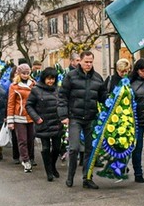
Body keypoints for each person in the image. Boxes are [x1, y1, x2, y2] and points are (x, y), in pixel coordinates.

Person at [58, 50, 106, 189]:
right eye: (86, 62)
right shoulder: (71, 76)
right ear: (80, 61)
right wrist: (63, 115)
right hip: (74, 117)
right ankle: (70, 176)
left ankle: (87, 178)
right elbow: (62, 96)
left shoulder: (97, 78)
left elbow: (103, 97)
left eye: (91, 62)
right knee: (74, 148)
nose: (88, 64)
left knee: (90, 150)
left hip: (91, 118)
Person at [27, 67, 63, 181]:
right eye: (48, 79)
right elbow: (29, 105)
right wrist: (36, 118)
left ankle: (52, 166)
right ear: (44, 78)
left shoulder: (58, 90)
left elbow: (63, 103)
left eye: (53, 79)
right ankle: (48, 171)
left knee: (57, 148)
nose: (50, 81)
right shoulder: (36, 90)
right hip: (43, 123)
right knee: (46, 148)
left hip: (56, 123)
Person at [7, 63, 37, 173]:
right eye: (23, 73)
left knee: (30, 139)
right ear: (19, 73)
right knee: (22, 140)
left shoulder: (33, 84)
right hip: (19, 116)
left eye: (27, 73)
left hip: (31, 115)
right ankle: (25, 160)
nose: (25, 75)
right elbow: (10, 103)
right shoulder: (14, 86)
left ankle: (29, 157)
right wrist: (10, 120)